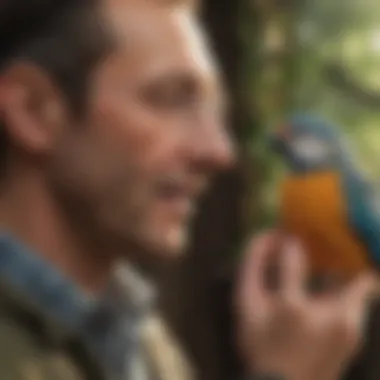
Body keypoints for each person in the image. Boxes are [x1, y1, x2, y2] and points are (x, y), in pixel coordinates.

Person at [0, 0, 377, 379]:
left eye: (215, 111)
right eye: (170, 99)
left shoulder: (144, 340)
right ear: (33, 109)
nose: (220, 152)